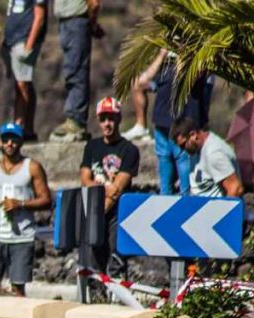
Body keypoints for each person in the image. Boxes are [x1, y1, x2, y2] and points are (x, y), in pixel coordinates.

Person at [0, 122, 52, 297]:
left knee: (17, 289)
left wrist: (21, 204)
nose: (10, 143)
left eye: (14, 139)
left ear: (21, 142)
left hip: (21, 238)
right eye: (6, 139)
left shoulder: (32, 167)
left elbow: (46, 200)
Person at [80, 97, 140, 278]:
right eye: (103, 119)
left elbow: (118, 189)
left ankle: (116, 294)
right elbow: (85, 178)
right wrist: (106, 188)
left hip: (117, 213)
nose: (107, 123)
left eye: (111, 118)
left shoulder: (129, 150)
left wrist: (101, 199)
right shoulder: (92, 146)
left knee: (116, 262)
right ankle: (96, 295)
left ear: (119, 119)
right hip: (95, 209)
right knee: (93, 264)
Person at [151, 53, 212, 195]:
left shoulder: (198, 63)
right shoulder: (165, 66)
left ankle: (185, 198)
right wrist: (161, 55)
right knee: (164, 159)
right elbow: (145, 81)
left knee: (183, 159)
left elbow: (196, 76)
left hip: (183, 123)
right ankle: (164, 198)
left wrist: (184, 58)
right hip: (162, 122)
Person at [49, 0, 103, 141]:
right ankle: (72, 117)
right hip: (64, 21)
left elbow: (94, 3)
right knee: (70, 71)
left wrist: (92, 22)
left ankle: (76, 120)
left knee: (76, 70)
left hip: (77, 19)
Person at [1, 0, 47, 141]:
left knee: (22, 84)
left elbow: (39, 16)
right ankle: (27, 129)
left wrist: (29, 45)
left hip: (24, 39)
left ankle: (18, 127)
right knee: (22, 84)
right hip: (12, 40)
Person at [171, 116, 243, 198]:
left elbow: (235, 188)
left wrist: (222, 207)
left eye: (183, 145)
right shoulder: (196, 148)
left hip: (214, 205)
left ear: (193, 134)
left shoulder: (213, 154)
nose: (182, 150)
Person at [122, 50, 166, 142]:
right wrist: (161, 55)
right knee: (137, 84)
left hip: (176, 77)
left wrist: (162, 55)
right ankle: (141, 127)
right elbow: (144, 79)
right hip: (164, 76)